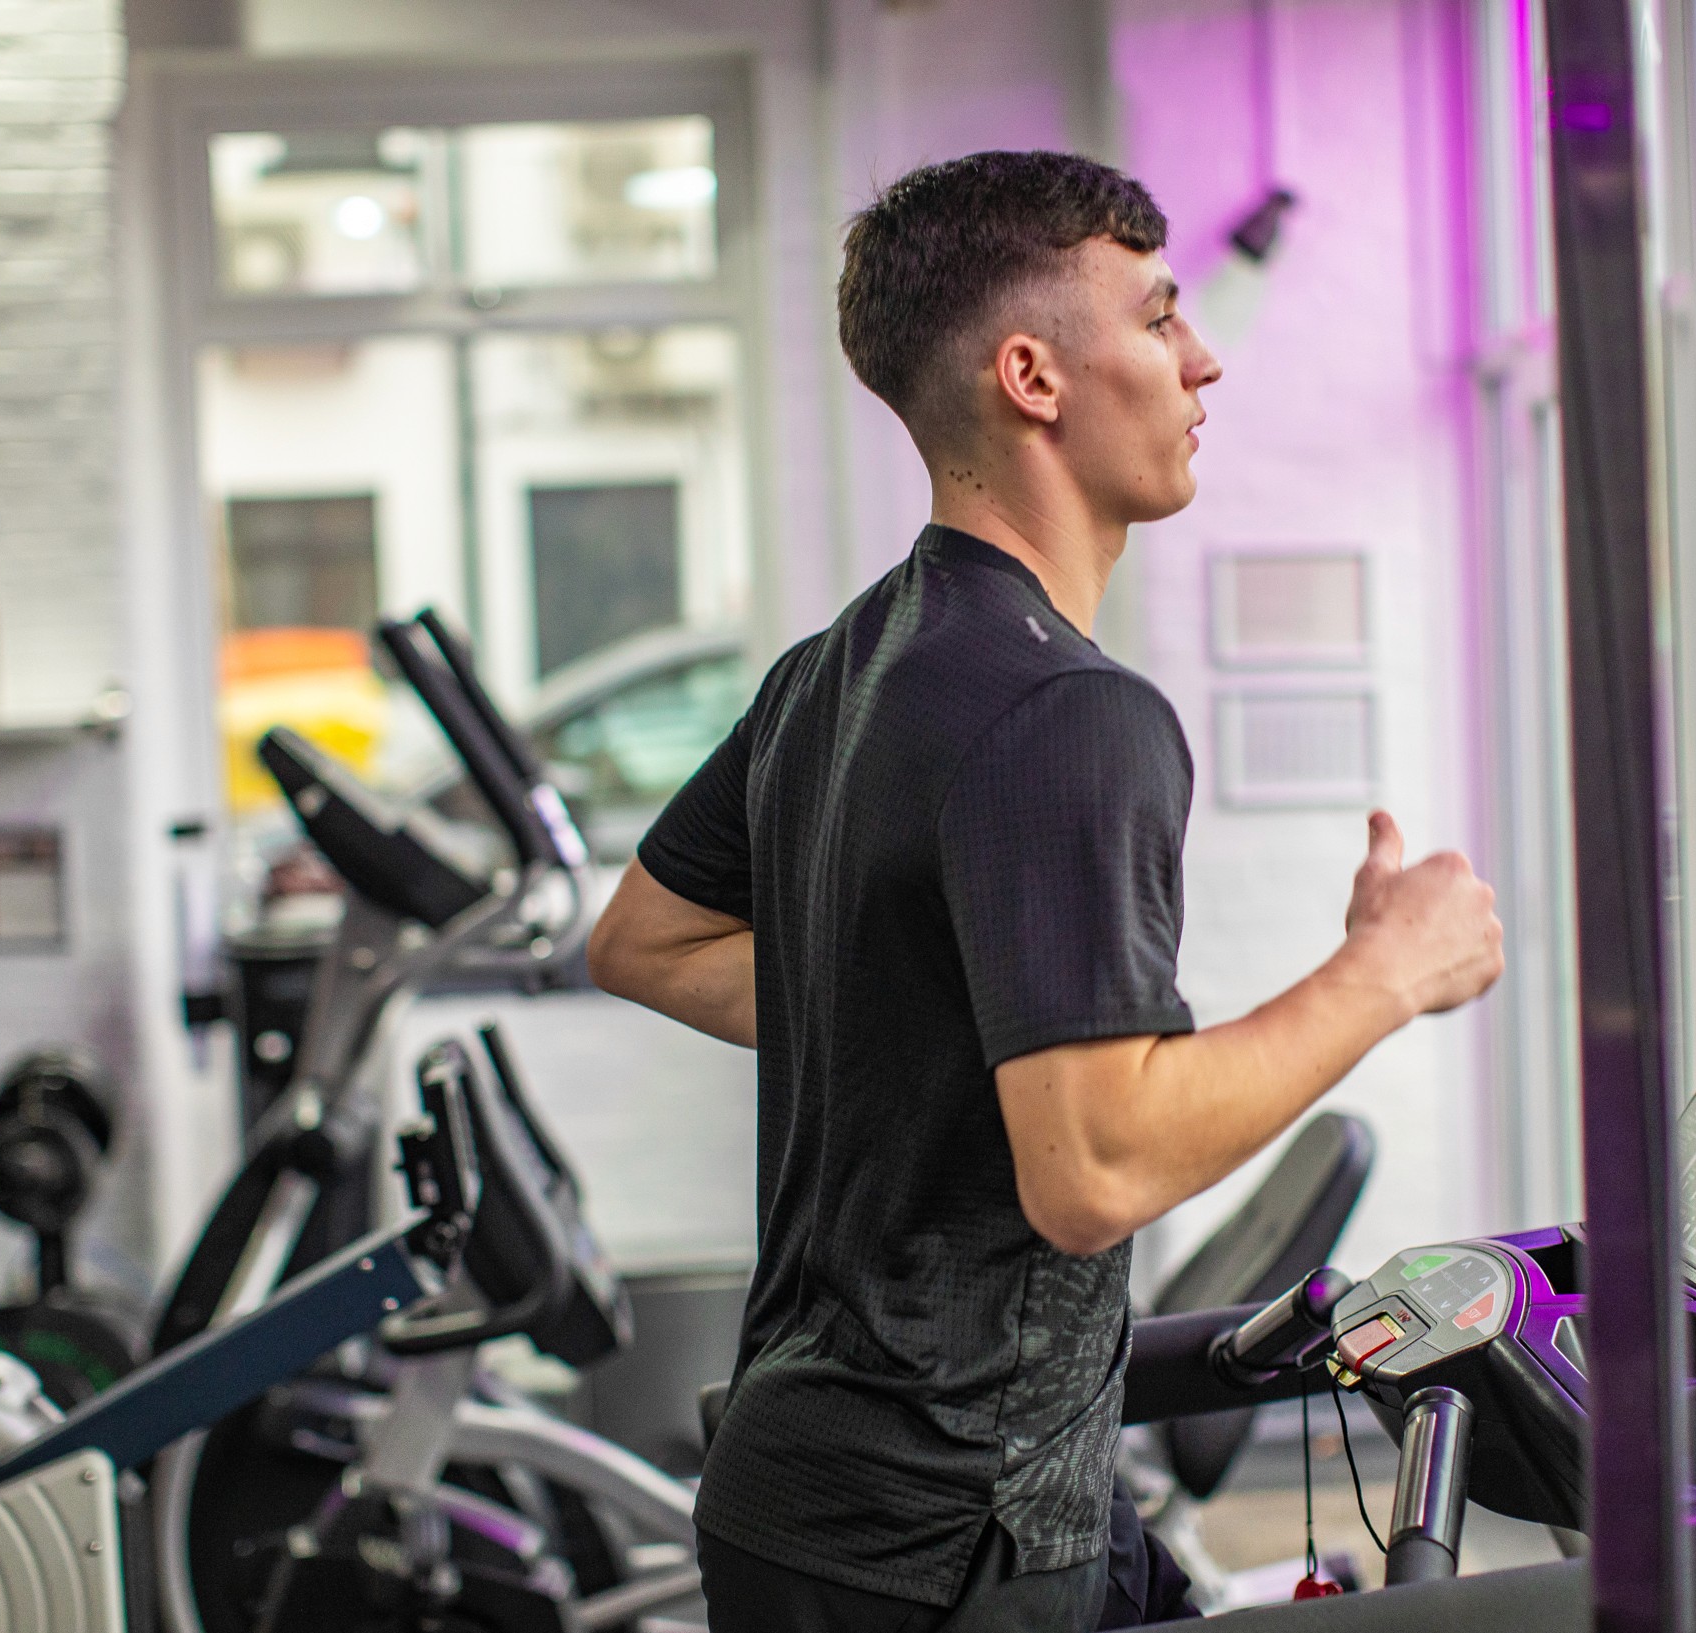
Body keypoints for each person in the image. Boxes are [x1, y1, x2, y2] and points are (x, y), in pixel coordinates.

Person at [587, 150, 1504, 1632]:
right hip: (945, 1536)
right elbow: (1094, 1173)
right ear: (1032, 377)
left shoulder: (836, 668)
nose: (1202, 360)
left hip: (813, 1494)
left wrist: (927, 1006)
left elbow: (641, 940)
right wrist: (1385, 973)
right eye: (1157, 317)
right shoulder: (1069, 711)